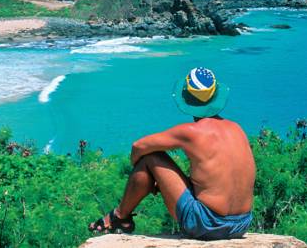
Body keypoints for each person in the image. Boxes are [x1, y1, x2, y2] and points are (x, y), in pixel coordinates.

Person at [88, 67, 255, 240]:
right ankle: (121, 216)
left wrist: (144, 177)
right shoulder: (237, 129)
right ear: (215, 96)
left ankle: (119, 217)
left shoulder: (191, 132)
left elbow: (138, 146)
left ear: (187, 98)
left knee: (151, 157)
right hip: (241, 224)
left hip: (207, 224)